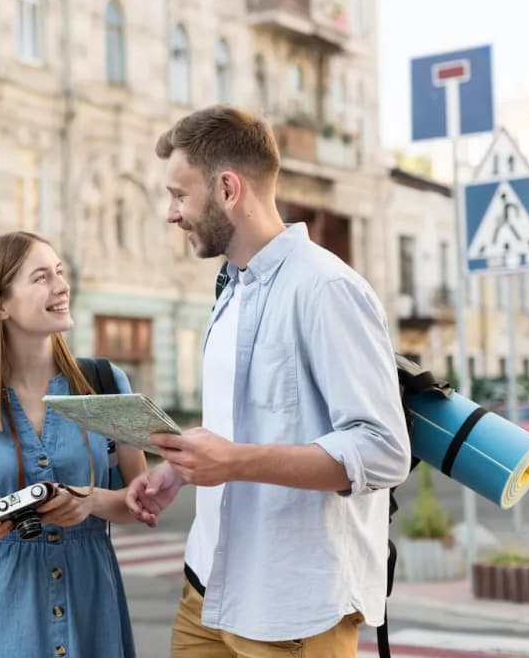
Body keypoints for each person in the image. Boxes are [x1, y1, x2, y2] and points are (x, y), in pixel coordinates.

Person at [126, 105, 412, 657]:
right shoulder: (229, 289)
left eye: (179, 195)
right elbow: (251, 423)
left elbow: (382, 452)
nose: (171, 213)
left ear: (228, 189)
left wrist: (234, 461)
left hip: (293, 610)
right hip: (208, 587)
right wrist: (181, 471)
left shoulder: (326, 288)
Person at [0, 231, 148, 658]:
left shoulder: (105, 384)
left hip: (92, 605)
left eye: (60, 273)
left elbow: (144, 501)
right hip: (8, 612)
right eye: (41, 277)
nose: (61, 286)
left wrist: (90, 501)